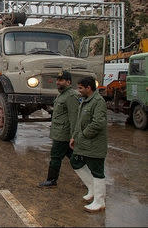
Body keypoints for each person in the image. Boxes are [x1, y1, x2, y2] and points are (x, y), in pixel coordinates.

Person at [69, 76, 108, 213]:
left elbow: (98, 123)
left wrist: (83, 135)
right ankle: (92, 189)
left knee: (97, 171)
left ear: (88, 88)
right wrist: (74, 137)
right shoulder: (85, 101)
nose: (78, 90)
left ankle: (99, 201)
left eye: (80, 88)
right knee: (75, 162)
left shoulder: (98, 101)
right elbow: (80, 121)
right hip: (83, 142)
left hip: (94, 144)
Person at [39, 71, 79, 188]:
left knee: (56, 157)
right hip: (59, 132)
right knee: (74, 158)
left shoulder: (71, 96)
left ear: (68, 82)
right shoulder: (62, 95)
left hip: (63, 134)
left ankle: (51, 180)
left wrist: (74, 136)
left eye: (61, 80)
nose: (57, 82)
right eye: (57, 80)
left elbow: (74, 117)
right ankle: (91, 178)